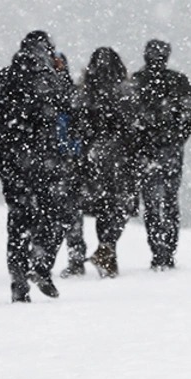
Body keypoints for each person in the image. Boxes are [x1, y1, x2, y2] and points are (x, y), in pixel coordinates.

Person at [0, 31, 72, 302]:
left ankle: (19, 277)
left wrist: (10, 146)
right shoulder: (49, 78)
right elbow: (69, 108)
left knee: (18, 220)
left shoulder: (4, 77)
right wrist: (62, 75)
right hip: (46, 162)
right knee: (54, 217)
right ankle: (41, 264)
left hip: (14, 163)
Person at [131, 39, 191, 270]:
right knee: (169, 201)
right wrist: (178, 138)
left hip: (146, 152)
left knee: (152, 204)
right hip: (170, 151)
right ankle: (167, 250)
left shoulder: (136, 82)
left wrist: (138, 140)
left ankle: (158, 250)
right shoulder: (178, 82)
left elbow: (126, 118)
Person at [75, 47, 141, 278]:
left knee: (103, 207)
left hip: (93, 158)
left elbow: (79, 127)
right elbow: (134, 129)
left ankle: (106, 252)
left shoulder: (83, 93)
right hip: (120, 159)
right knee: (118, 207)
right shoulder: (126, 93)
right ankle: (107, 248)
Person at [52, 52, 86, 278]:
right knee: (70, 213)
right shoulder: (73, 94)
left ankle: (71, 259)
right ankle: (74, 258)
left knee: (63, 212)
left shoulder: (53, 93)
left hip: (61, 159)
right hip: (65, 159)